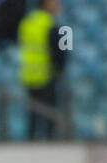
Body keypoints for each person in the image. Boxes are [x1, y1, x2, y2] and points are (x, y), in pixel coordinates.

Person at [18, 0, 67, 140]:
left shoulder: (27, 22)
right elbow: (60, 53)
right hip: (47, 75)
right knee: (49, 114)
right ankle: (50, 143)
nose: (58, 6)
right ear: (45, 4)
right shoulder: (51, 24)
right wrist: (60, 70)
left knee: (33, 115)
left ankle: (31, 143)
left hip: (28, 75)